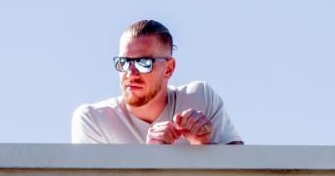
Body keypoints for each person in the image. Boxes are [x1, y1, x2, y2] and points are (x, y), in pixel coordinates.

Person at [71, 19, 243, 145]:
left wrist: (203, 147)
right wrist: (151, 157)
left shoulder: (200, 98)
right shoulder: (94, 119)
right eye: (124, 62)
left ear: (169, 69)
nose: (130, 72)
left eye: (143, 63)